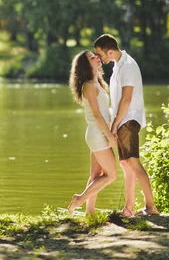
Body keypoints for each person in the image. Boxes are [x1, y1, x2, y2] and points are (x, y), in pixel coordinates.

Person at [93, 34, 159, 218]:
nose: (99, 58)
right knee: (125, 163)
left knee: (133, 161)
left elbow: (127, 99)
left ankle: (151, 207)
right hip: (122, 120)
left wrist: (113, 126)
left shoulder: (128, 66)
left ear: (111, 51)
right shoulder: (117, 67)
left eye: (101, 54)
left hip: (128, 121)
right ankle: (129, 208)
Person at [67, 50, 118, 215]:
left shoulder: (98, 83)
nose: (97, 57)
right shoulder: (88, 85)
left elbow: (104, 112)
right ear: (86, 65)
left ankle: (89, 213)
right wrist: (109, 136)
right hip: (98, 134)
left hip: (99, 133)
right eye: (92, 57)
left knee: (96, 174)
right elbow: (96, 115)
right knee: (111, 175)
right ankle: (79, 200)